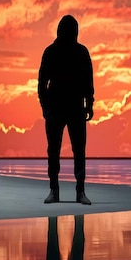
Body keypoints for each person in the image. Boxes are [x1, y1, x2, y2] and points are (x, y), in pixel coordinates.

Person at [38, 15, 94, 205]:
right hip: (55, 109)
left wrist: (90, 104)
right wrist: (45, 107)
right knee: (53, 151)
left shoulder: (82, 52)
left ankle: (80, 191)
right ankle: (54, 190)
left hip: (76, 108)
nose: (72, 34)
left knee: (79, 151)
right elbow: (41, 82)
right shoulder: (51, 52)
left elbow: (88, 80)